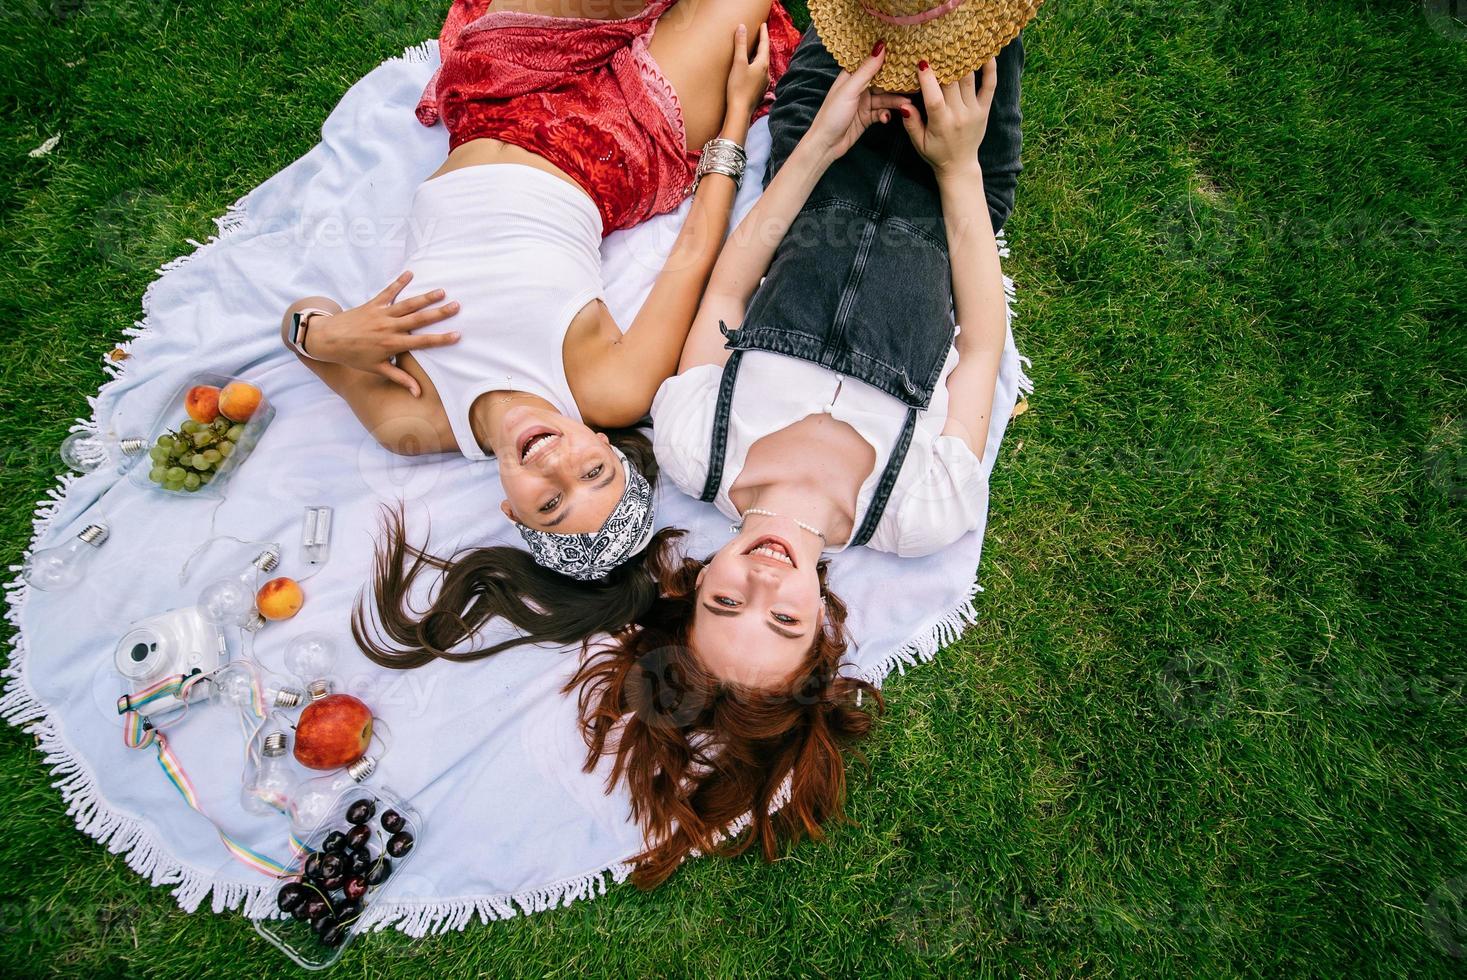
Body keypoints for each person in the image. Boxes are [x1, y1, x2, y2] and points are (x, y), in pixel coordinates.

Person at [571, 11, 1030, 887]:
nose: (764, 582)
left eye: (725, 606)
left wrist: (820, 138)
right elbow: (979, 347)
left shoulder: (693, 447)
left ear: (692, 589)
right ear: (822, 630)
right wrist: (960, 164)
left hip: (823, 136)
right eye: (782, 619)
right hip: (955, 186)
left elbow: (733, 280)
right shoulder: (920, 514)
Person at [281, 1, 802, 665]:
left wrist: (325, 336)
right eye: (592, 471)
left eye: (551, 502)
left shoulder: (411, 418)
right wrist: (735, 111)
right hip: (620, 138)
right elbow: (694, 254)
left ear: (513, 514)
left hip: (492, 97)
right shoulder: (609, 391)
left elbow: (300, 316)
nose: (556, 464)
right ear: (606, 448)